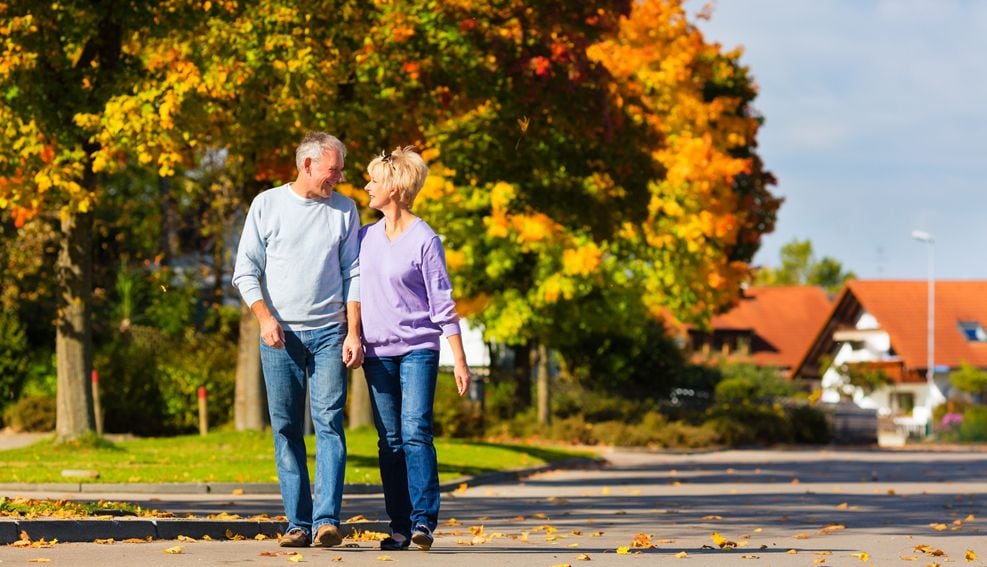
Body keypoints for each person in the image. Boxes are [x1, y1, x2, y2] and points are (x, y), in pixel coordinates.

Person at [232, 132, 363, 548]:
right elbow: (245, 271)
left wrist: (353, 331)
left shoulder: (345, 209)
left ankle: (326, 520)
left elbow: (353, 274)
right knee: (286, 428)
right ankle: (297, 523)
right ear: (307, 164)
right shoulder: (267, 205)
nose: (339, 177)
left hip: (329, 333)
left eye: (340, 170)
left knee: (329, 424)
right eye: (333, 169)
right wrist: (265, 318)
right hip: (279, 336)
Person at [359, 145, 471, 551]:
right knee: (388, 440)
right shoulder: (365, 238)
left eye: (374, 180)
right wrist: (353, 334)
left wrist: (459, 359)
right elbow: (353, 289)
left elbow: (443, 303)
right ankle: (400, 526)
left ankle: (423, 522)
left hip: (418, 349)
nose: (367, 186)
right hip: (376, 352)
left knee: (415, 432)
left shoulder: (425, 239)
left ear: (395, 187)